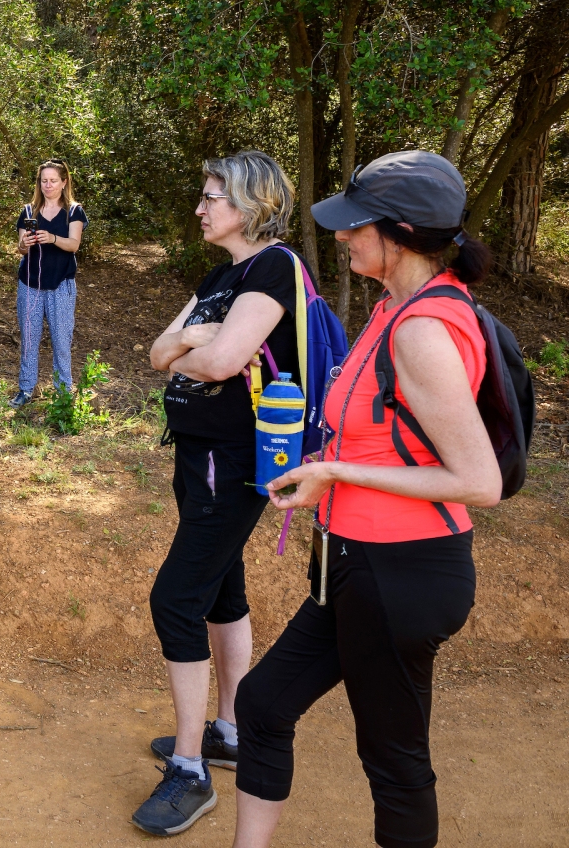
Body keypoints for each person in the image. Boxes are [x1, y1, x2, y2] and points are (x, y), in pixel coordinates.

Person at [231, 152, 498, 848]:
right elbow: (393, 438)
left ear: (401, 234)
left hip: (401, 573)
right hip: (353, 564)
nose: (343, 238)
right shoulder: (393, 307)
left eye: (356, 228)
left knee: (394, 762)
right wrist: (327, 466)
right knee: (262, 703)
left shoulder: (422, 330)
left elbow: (479, 480)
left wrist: (340, 476)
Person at [140, 150, 309, 836]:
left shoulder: (273, 266)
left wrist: (198, 341)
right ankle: (229, 731)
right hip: (198, 455)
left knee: (176, 598)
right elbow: (156, 353)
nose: (202, 207)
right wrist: (195, 337)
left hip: (234, 463)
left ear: (252, 204)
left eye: (214, 197)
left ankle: (189, 769)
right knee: (221, 592)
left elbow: (220, 360)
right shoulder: (220, 276)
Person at [12, 157, 88, 407]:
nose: (48, 185)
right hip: (30, 285)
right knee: (29, 341)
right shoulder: (28, 211)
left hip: (61, 286)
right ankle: (25, 390)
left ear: (64, 182)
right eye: (44, 180)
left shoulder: (74, 211)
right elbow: (21, 249)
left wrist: (52, 237)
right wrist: (25, 244)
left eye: (53, 180)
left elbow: (73, 245)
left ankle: (64, 394)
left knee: (61, 341)